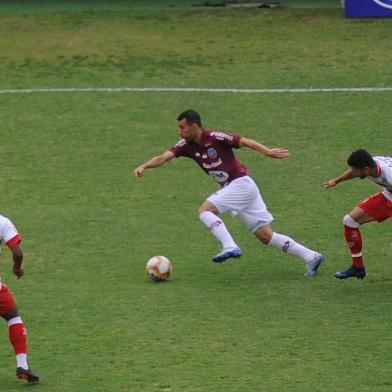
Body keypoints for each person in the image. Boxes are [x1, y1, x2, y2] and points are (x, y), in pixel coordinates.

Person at [133, 109, 324, 276]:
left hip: (241, 184)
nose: (180, 131)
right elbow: (162, 157)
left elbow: (245, 141)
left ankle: (230, 246)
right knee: (265, 236)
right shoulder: (185, 145)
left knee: (205, 211)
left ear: (194, 126)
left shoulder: (215, 137)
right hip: (236, 188)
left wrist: (267, 152)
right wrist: (144, 166)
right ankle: (312, 256)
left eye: (182, 127)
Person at [325, 149, 392, 280]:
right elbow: (353, 172)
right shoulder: (372, 164)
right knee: (350, 221)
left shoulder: (389, 174)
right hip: (388, 196)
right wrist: (337, 180)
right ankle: (358, 267)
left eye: (356, 171)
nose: (354, 173)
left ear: (366, 169)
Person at [0, 214, 39, 383]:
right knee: (13, 317)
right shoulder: (2, 222)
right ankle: (22, 365)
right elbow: (17, 252)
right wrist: (16, 268)